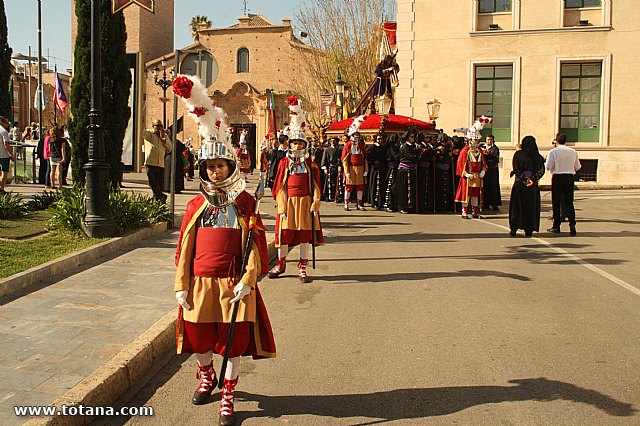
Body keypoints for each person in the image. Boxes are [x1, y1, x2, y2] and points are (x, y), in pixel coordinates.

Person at [268, 96, 324, 283]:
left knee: (304, 235)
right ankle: (281, 263)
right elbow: (279, 186)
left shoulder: (310, 164)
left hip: (305, 202)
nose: (297, 146)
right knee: (284, 234)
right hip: (288, 202)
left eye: (301, 143)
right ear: (290, 144)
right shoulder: (284, 163)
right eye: (295, 143)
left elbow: (316, 184)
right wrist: (282, 206)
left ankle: (302, 266)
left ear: (305, 145)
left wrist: (316, 202)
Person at [509, 136, 546, 237]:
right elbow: (541, 171)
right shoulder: (538, 157)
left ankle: (514, 228)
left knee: (517, 206)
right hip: (532, 186)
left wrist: (524, 179)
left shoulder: (518, 155)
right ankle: (529, 229)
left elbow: (516, 168)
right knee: (530, 207)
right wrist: (532, 179)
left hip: (520, 183)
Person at [546, 133, 581, 235]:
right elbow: (578, 166)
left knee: (556, 202)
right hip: (569, 177)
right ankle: (572, 224)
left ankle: (556, 225)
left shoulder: (553, 152)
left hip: (558, 176)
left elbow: (548, 166)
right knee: (569, 202)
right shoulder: (573, 151)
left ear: (556, 141)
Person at [143, 119, 172, 203]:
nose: (159, 128)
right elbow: (142, 131)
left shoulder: (164, 136)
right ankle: (161, 196)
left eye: (161, 126)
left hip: (160, 164)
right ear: (153, 126)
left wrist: (164, 140)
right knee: (153, 183)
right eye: (157, 126)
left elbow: (170, 148)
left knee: (159, 184)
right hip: (151, 163)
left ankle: (157, 199)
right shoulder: (150, 134)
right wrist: (142, 121)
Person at [341, 123, 368, 211]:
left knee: (360, 187)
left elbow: (365, 159)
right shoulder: (347, 145)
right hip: (351, 168)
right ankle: (346, 204)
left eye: (358, 135)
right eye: (356, 135)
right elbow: (344, 159)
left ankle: (359, 204)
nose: (357, 136)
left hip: (360, 169)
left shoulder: (361, 145)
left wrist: (365, 170)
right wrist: (346, 171)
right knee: (348, 187)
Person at [396, 128, 421, 214]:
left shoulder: (413, 146)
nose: (413, 138)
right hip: (405, 170)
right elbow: (411, 157)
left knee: (412, 189)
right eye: (411, 137)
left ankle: (411, 206)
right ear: (407, 138)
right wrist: (419, 155)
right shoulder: (404, 147)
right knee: (404, 189)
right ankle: (403, 207)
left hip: (412, 169)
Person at [366, 133, 387, 210]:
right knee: (374, 185)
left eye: (381, 139)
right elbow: (367, 156)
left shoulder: (383, 147)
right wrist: (372, 163)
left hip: (382, 168)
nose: (380, 140)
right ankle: (373, 201)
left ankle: (380, 202)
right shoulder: (372, 147)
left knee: (381, 185)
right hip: (375, 168)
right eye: (378, 139)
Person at [481, 134, 502, 211]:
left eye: (490, 139)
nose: (489, 141)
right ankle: (485, 203)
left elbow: (495, 158)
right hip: (484, 169)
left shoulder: (495, 148)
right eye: (488, 139)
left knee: (493, 186)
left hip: (492, 170)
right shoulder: (482, 147)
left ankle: (494, 204)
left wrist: (489, 154)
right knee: (485, 186)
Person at [321, 136, 342, 202]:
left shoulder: (339, 149)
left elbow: (341, 158)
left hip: (337, 167)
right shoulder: (327, 150)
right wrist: (325, 168)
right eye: (331, 141)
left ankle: (337, 197)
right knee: (329, 182)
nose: (332, 142)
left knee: (337, 183)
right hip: (330, 168)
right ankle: (328, 196)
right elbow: (324, 160)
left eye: (334, 141)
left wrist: (340, 166)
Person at [0, 116, 16, 193]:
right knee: (4, 172)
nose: (8, 124)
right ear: (2, 122)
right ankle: (2, 189)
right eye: (6, 122)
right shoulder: (4, 131)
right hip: (4, 155)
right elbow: (6, 143)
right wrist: (12, 154)